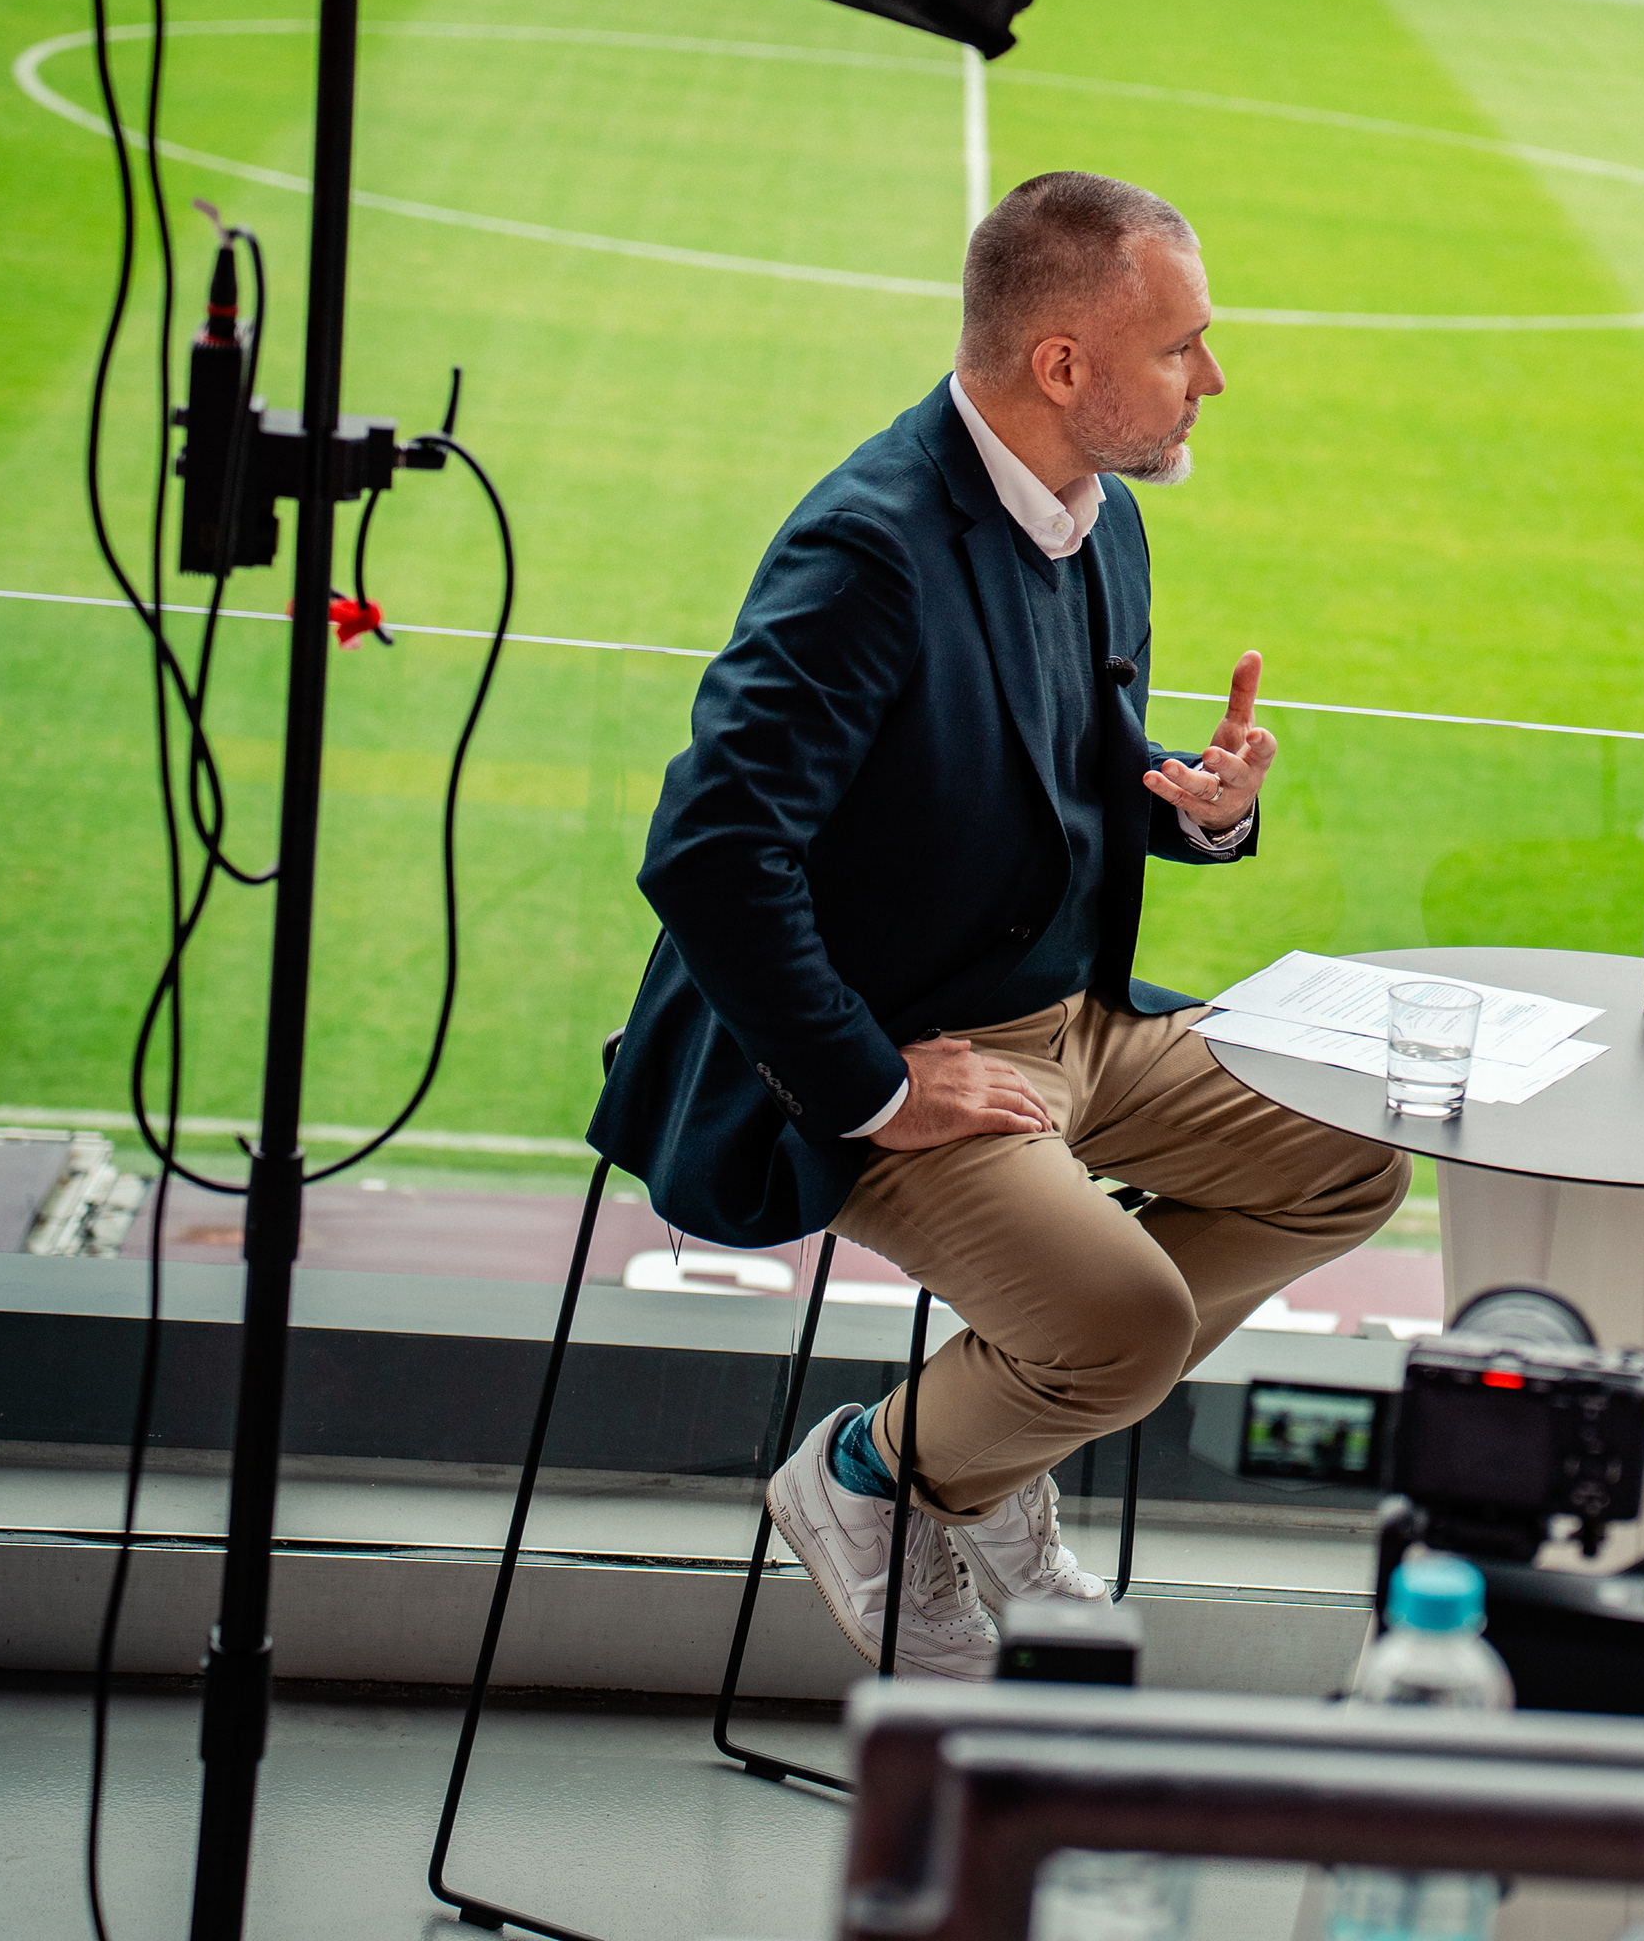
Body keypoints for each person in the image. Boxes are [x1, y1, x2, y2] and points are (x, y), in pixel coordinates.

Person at [590, 168, 1410, 1680]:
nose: (1213, 377)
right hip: (897, 1053)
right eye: (1182, 345)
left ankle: (984, 1450)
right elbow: (709, 853)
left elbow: (1050, 764)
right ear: (1064, 365)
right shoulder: (868, 551)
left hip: (1072, 1020)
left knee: (1355, 1154)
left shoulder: (1100, 517)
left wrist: (1196, 806)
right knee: (1125, 1328)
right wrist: (873, 1088)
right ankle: (868, 1479)